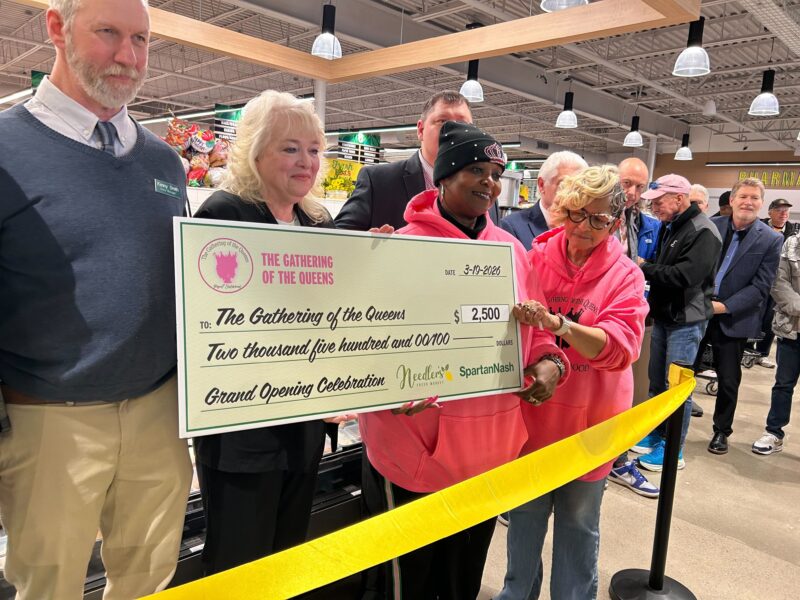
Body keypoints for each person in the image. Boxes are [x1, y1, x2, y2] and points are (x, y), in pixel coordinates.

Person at [0, 1, 193, 598]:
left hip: (160, 415)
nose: (128, 56)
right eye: (108, 33)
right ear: (56, 29)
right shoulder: (7, 148)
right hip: (49, 418)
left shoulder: (164, 162)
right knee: (48, 585)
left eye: (141, 39)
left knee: (148, 578)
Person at [358, 121, 568, 600]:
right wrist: (383, 388)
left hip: (488, 454)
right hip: (415, 452)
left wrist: (550, 364)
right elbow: (368, 345)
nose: (489, 183)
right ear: (444, 177)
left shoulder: (511, 251)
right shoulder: (398, 246)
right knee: (406, 585)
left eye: (496, 173)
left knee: (462, 582)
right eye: (476, 170)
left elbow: (534, 334)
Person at [191, 90, 347, 574]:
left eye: (314, 149)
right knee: (239, 561)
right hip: (242, 432)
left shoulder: (316, 222)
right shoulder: (223, 215)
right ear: (255, 152)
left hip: (302, 427)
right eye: (290, 148)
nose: (307, 162)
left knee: (286, 557)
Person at [498, 165, 648, 600]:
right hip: (534, 423)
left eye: (599, 219)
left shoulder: (626, 277)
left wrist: (558, 323)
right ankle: (516, 594)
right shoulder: (534, 259)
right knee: (524, 520)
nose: (584, 227)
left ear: (616, 222)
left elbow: (620, 349)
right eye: (577, 214)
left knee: (579, 525)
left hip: (590, 428)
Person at [633, 174, 721, 472]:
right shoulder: (672, 226)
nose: (655, 207)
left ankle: (673, 451)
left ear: (679, 199)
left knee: (677, 390)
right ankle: (656, 434)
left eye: (659, 202)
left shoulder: (703, 231)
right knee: (657, 383)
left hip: (686, 321)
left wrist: (645, 268)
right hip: (665, 317)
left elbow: (685, 276)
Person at [335, 91, 501, 229]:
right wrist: (369, 245)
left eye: (463, 123)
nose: (454, 131)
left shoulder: (486, 193)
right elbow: (338, 240)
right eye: (443, 122)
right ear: (421, 130)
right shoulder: (378, 181)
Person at [701, 178, 782, 455]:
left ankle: (721, 431)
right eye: (743, 196)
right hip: (698, 312)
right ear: (732, 201)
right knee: (683, 371)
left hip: (733, 317)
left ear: (761, 204)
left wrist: (723, 307)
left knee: (728, 379)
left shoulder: (771, 238)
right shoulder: (711, 226)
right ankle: (671, 425)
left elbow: (762, 286)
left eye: (755, 198)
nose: (748, 202)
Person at [607, 157, 661, 497]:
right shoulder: (597, 215)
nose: (633, 192)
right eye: (627, 184)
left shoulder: (645, 222)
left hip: (631, 316)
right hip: (592, 317)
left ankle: (618, 459)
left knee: (627, 394)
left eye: (640, 187)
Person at [753, 230, 800, 455]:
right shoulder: (791, 244)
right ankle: (774, 431)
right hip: (792, 328)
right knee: (783, 384)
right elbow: (779, 282)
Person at [499, 151, 587, 249]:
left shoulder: (585, 228)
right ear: (541, 185)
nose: (573, 193)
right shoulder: (512, 227)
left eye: (579, 187)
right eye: (564, 185)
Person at [749, 198, 798, 368]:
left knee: (771, 318)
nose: (783, 213)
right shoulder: (759, 226)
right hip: (758, 279)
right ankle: (747, 349)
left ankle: (762, 353)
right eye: (779, 210)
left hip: (780, 283)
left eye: (786, 210)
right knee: (753, 313)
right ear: (770, 212)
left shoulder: (792, 233)